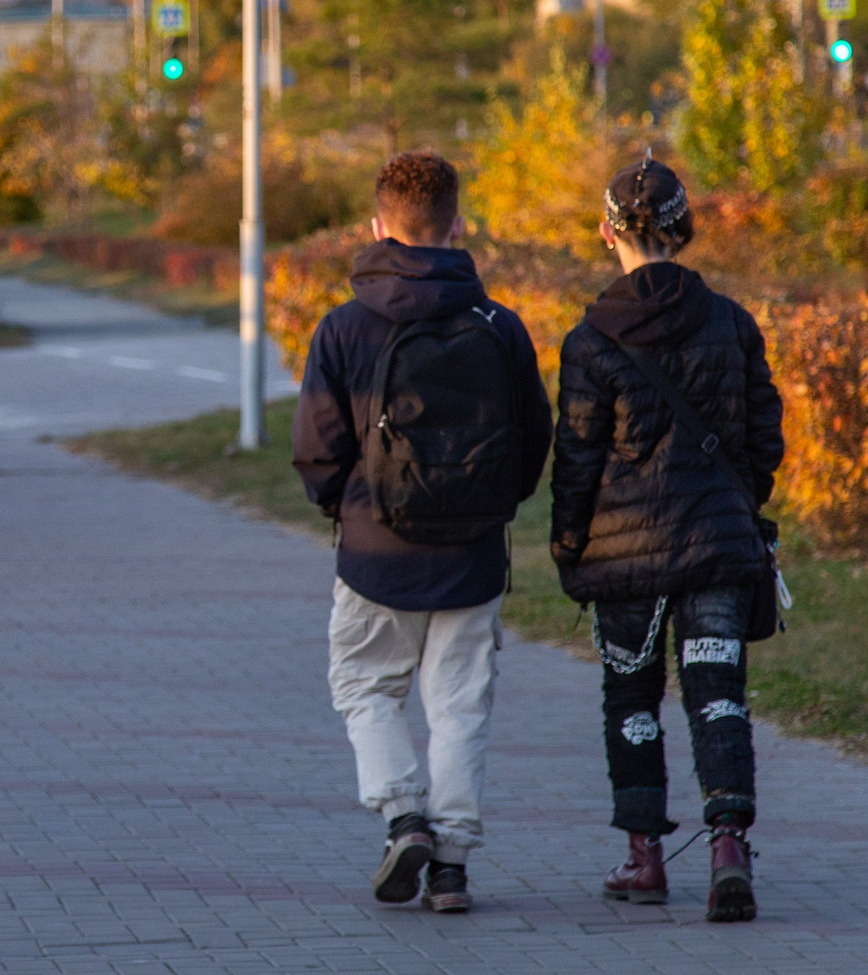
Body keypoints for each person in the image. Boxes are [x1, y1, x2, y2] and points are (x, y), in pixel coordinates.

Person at [292, 151, 554, 914]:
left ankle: (403, 815)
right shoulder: (499, 327)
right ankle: (452, 864)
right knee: (460, 705)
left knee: (365, 685)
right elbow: (530, 438)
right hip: (471, 553)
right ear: (458, 225)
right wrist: (493, 505)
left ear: (378, 227)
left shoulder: (344, 329)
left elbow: (316, 447)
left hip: (375, 551)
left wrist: (347, 509)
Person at [550, 159, 785, 923]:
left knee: (631, 696)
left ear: (604, 231)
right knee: (719, 693)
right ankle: (727, 846)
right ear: (684, 228)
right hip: (717, 543)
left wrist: (568, 541)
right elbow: (763, 437)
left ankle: (643, 856)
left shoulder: (589, 341)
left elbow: (578, 455)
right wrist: (741, 506)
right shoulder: (731, 321)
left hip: (622, 557)